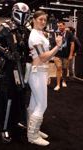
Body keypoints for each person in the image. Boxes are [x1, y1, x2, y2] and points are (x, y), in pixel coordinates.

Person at [0, 2, 31, 144]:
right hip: (8, 70)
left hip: (22, 69)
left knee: (20, 98)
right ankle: (4, 127)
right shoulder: (6, 26)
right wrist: (6, 53)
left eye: (25, 15)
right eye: (20, 14)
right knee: (7, 99)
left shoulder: (25, 30)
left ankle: (15, 122)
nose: (22, 18)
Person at [27, 10, 62, 146]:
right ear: (33, 19)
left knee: (34, 104)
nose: (43, 22)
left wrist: (47, 74)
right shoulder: (35, 36)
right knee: (42, 105)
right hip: (37, 73)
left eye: (45, 20)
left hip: (41, 72)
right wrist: (58, 46)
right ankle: (33, 136)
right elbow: (43, 57)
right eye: (40, 19)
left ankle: (33, 131)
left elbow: (44, 58)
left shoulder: (40, 34)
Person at [53, 21, 74, 91]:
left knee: (65, 68)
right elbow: (54, 44)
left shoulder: (69, 33)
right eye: (59, 26)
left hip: (66, 54)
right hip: (58, 54)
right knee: (58, 68)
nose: (60, 28)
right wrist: (53, 56)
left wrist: (71, 54)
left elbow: (72, 44)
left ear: (64, 26)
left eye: (61, 26)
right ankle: (58, 84)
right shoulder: (57, 33)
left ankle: (64, 80)